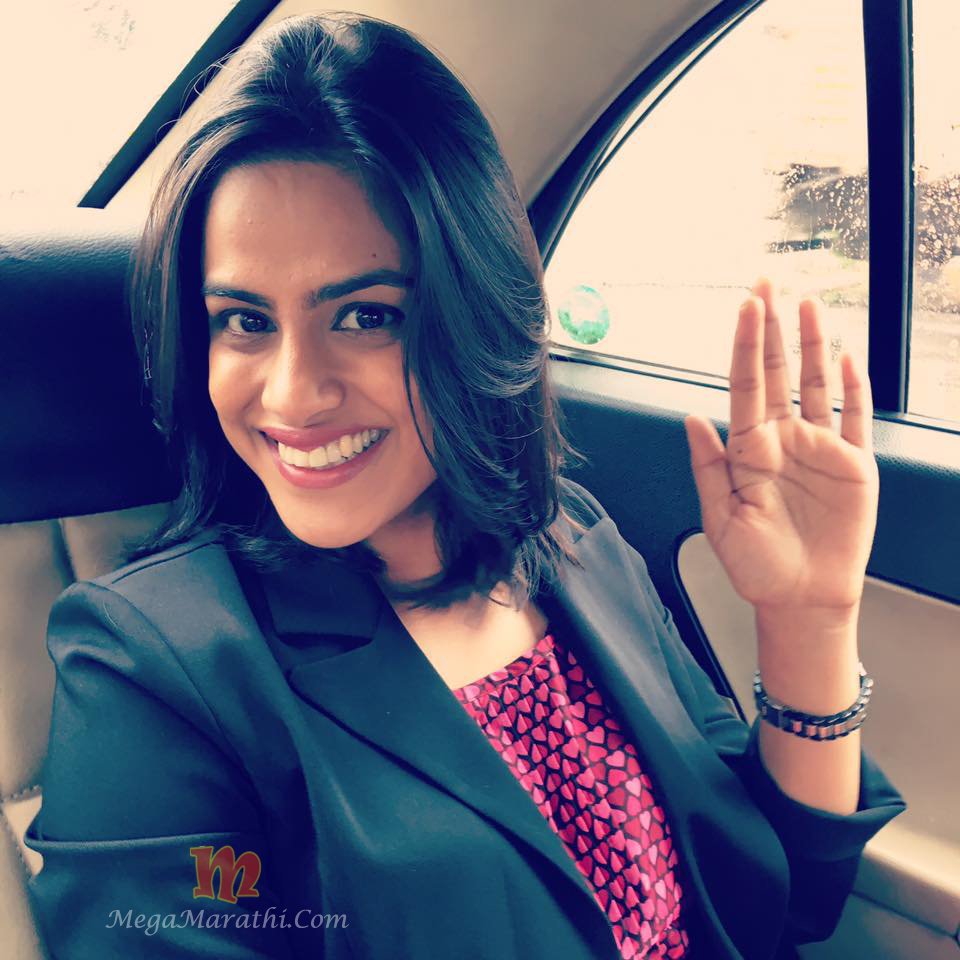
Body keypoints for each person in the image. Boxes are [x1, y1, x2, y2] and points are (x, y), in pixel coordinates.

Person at [25, 12, 905, 960]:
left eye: (366, 315)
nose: (291, 393)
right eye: (245, 320)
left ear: (476, 312)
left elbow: (779, 895)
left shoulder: (571, 540)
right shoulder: (153, 670)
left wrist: (810, 620)